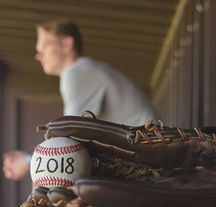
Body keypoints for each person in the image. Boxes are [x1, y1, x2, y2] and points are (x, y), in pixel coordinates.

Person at [3, 20, 158, 181]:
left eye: (44, 47)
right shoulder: (82, 70)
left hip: (148, 162)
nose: (38, 55)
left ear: (66, 44)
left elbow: (69, 139)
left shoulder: (77, 72)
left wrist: (29, 161)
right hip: (144, 157)